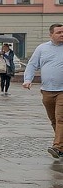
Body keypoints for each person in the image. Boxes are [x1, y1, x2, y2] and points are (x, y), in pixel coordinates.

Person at [22, 23, 63, 159]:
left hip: (62, 91)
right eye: (58, 32)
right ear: (51, 34)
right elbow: (33, 64)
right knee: (53, 120)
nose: (62, 34)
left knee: (60, 118)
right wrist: (28, 79)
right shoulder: (42, 48)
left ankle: (57, 147)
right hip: (47, 90)